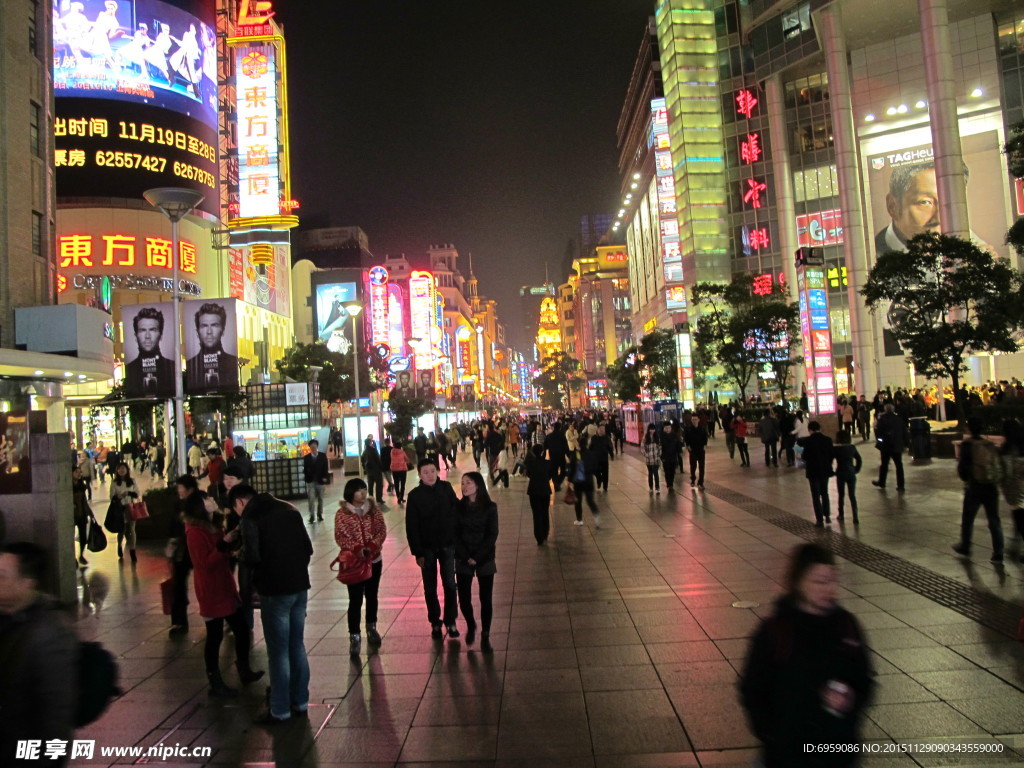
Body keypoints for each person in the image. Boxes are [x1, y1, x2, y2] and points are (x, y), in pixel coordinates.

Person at [740, 543, 874, 767]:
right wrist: (773, 735)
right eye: (819, 581)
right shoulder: (775, 631)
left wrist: (850, 699)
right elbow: (752, 689)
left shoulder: (847, 627)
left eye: (832, 580)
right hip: (787, 756)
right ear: (798, 582)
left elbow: (864, 680)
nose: (829, 589)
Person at [229, 483, 313, 725]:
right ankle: (300, 702)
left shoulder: (250, 517)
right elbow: (307, 548)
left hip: (275, 591)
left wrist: (238, 552)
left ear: (241, 502)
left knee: (278, 652)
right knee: (296, 645)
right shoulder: (289, 510)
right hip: (300, 586)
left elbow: (253, 556)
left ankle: (279, 710)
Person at [0, 542, 78, 767]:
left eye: (2, 575)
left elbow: (57, 710)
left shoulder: (49, 633)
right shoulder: (8, 617)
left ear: (27, 583)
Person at [183, 493, 264, 697]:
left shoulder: (214, 525)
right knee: (215, 635)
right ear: (199, 507)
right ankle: (215, 680)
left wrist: (230, 543)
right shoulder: (194, 532)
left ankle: (243, 669)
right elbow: (204, 564)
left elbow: (222, 554)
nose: (212, 500)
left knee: (241, 630)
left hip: (225, 586)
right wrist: (224, 543)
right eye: (206, 499)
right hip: (210, 589)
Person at [405, 459, 460, 639]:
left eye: (432, 471)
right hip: (426, 548)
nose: (430, 475)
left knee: (450, 584)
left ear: (437, 471)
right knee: (430, 587)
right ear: (419, 475)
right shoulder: (414, 495)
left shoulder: (446, 488)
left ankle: (450, 620)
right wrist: (417, 552)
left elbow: (457, 510)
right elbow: (411, 526)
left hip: (447, 545)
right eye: (425, 472)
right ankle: (435, 621)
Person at [334, 478, 387, 658]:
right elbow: (341, 536)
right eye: (358, 490)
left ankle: (371, 627)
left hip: (374, 560)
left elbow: (381, 530)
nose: (363, 493)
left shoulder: (373, 511)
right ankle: (354, 635)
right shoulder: (342, 514)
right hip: (354, 563)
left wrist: (373, 547)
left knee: (372, 595)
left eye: (364, 489)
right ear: (351, 493)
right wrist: (357, 549)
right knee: (355, 599)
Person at [454, 472, 498, 652]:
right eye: (463, 483)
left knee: (485, 597)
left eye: (469, 483)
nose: (465, 487)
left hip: (485, 556)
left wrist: (478, 556)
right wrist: (466, 556)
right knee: (464, 597)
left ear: (478, 485)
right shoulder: (458, 507)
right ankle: (471, 625)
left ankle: (486, 632)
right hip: (463, 556)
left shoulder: (490, 507)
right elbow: (454, 533)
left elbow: (492, 534)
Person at [952, 417, 1004, 563]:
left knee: (968, 518)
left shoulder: (967, 445)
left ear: (969, 428)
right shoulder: (989, 445)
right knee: (994, 519)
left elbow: (962, 468)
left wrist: (966, 478)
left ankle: (965, 545)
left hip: (974, 486)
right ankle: (998, 552)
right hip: (991, 486)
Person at [185, 302, 239, 393]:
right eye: (204, 326)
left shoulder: (232, 363)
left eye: (214, 325)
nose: (209, 332)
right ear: (197, 331)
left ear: (223, 329)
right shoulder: (191, 366)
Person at [125, 307, 175, 398]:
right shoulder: (129, 370)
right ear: (136, 336)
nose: (147, 336)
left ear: (161, 334)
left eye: (152, 330)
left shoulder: (172, 368)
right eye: (142, 330)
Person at [797, 421, 834, 527]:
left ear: (810, 430)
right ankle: (827, 515)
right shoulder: (828, 440)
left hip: (813, 471)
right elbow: (831, 455)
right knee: (825, 493)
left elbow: (804, 457)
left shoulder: (808, 441)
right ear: (819, 428)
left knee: (816, 495)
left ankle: (819, 519)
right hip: (825, 470)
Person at [998, 420, 1024, 563]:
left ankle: (1015, 547)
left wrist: (1004, 486)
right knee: (1019, 520)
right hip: (1020, 488)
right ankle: (1014, 546)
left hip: (1017, 490)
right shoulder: (1021, 445)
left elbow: (1007, 472)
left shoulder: (1008, 449)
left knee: (1020, 519)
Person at [567, 439, 601, 528]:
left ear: (578, 444)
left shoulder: (575, 454)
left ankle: (579, 520)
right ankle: (597, 518)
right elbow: (595, 467)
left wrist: (569, 480)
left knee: (578, 501)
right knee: (590, 500)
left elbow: (572, 469)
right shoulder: (591, 454)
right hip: (589, 480)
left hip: (579, 481)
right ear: (587, 444)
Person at [110, 461, 139, 563]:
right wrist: (118, 496)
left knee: (132, 529)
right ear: (117, 471)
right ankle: (119, 546)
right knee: (121, 530)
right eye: (120, 469)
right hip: (120, 508)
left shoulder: (132, 481)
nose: (122, 470)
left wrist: (129, 493)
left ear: (127, 470)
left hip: (130, 507)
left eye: (124, 468)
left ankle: (133, 550)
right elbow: (111, 497)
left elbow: (137, 494)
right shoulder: (114, 483)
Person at [872, 403, 906, 491]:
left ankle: (882, 482)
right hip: (897, 445)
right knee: (899, 465)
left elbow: (878, 432)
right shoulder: (898, 419)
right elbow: (904, 432)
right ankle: (901, 485)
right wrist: (904, 444)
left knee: (884, 465)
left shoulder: (882, 419)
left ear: (885, 410)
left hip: (885, 446)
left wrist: (880, 441)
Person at [833, 431, 863, 524]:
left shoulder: (836, 449)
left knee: (841, 495)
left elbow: (830, 459)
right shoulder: (852, 447)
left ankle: (841, 514)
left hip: (841, 473)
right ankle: (855, 516)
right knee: (852, 495)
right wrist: (856, 469)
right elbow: (859, 459)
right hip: (851, 473)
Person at [525, 443, 551, 545]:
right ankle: (545, 533)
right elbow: (549, 475)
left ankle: (538, 537)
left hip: (534, 490)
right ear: (542, 451)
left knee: (536, 514)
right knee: (545, 512)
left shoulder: (530, 464)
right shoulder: (547, 463)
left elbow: (529, 475)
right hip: (545, 490)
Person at [302, 439, 329, 523]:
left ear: (317, 446)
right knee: (311, 499)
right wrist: (307, 478)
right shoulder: (306, 458)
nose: (313, 447)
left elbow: (326, 467)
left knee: (320, 498)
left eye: (315, 445)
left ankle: (319, 514)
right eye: (312, 445)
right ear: (310, 447)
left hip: (320, 480)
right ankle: (312, 516)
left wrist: (325, 477)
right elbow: (305, 469)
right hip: (311, 481)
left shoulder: (322, 456)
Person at [72, 465, 92, 565]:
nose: (79, 474)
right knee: (70, 537)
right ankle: (73, 558)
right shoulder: (67, 487)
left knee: (83, 536)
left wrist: (90, 513)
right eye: (76, 472)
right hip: (72, 515)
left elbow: (84, 500)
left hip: (82, 513)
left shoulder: (81, 485)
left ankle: (81, 555)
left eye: (80, 472)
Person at [683, 415, 708, 489]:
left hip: (701, 450)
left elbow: (705, 437)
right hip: (693, 450)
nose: (694, 421)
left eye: (695, 419)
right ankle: (693, 479)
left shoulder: (702, 428)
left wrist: (705, 445)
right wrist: (688, 446)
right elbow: (686, 438)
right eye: (693, 419)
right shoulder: (689, 429)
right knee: (693, 466)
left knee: (702, 466)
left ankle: (701, 482)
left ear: (698, 420)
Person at [361, 436, 385, 505]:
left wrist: (365, 467)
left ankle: (371, 498)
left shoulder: (364, 451)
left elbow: (362, 460)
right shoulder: (373, 450)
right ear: (370, 443)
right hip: (376, 470)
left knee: (370, 485)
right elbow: (378, 460)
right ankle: (379, 498)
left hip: (369, 471)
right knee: (379, 485)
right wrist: (381, 467)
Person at [642, 424, 662, 494]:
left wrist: (659, 454)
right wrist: (645, 454)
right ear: (648, 429)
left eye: (653, 429)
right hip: (649, 459)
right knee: (650, 473)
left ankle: (657, 487)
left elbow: (660, 446)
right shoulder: (646, 437)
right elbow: (642, 446)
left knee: (656, 473)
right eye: (651, 429)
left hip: (656, 459)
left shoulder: (657, 437)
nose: (652, 431)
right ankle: (651, 487)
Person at [660, 422, 680, 490]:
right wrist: (662, 457)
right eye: (666, 428)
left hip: (673, 456)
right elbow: (660, 448)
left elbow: (677, 445)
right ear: (664, 428)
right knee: (667, 471)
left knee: (672, 471)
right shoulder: (661, 436)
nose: (668, 429)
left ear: (671, 428)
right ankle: (669, 484)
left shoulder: (674, 436)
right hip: (665, 457)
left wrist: (679, 452)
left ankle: (671, 483)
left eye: (669, 428)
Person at [390, 440, 410, 505]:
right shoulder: (402, 452)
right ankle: (401, 497)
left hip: (394, 469)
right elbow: (406, 459)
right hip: (402, 469)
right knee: (402, 484)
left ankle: (398, 497)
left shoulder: (392, 452)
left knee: (396, 483)